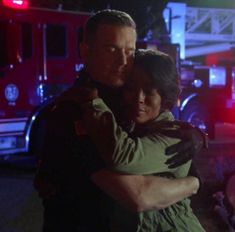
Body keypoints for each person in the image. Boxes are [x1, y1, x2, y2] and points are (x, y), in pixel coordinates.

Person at [34, 9, 206, 232]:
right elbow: (137, 196)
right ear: (86, 51)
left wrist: (195, 139)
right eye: (111, 49)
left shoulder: (122, 101)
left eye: (129, 51)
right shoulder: (77, 109)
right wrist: (193, 183)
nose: (123, 61)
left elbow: (159, 155)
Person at [77, 49, 205, 231]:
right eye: (131, 88)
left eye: (149, 91)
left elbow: (123, 156)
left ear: (164, 97)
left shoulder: (175, 135)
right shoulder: (129, 128)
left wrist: (92, 103)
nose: (139, 98)